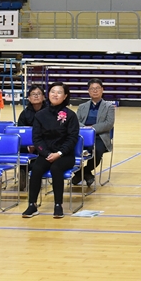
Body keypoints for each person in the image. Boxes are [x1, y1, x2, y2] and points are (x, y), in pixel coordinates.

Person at [22, 83, 80, 219]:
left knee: (56, 168)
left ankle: (58, 205)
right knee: (36, 168)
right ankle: (32, 204)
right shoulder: (40, 115)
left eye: (59, 92)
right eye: (53, 91)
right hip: (46, 153)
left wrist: (59, 153)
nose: (55, 94)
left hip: (65, 155)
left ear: (65, 96)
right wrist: (46, 153)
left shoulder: (71, 116)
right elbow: (37, 138)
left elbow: (72, 139)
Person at [74, 79, 115, 184]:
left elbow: (109, 123)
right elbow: (76, 121)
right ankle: (86, 175)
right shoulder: (82, 107)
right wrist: (85, 129)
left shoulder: (109, 106)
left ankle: (82, 173)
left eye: (97, 88)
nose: (95, 91)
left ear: (102, 90)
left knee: (97, 151)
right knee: (70, 149)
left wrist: (92, 129)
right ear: (88, 91)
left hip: (99, 136)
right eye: (92, 89)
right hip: (83, 135)